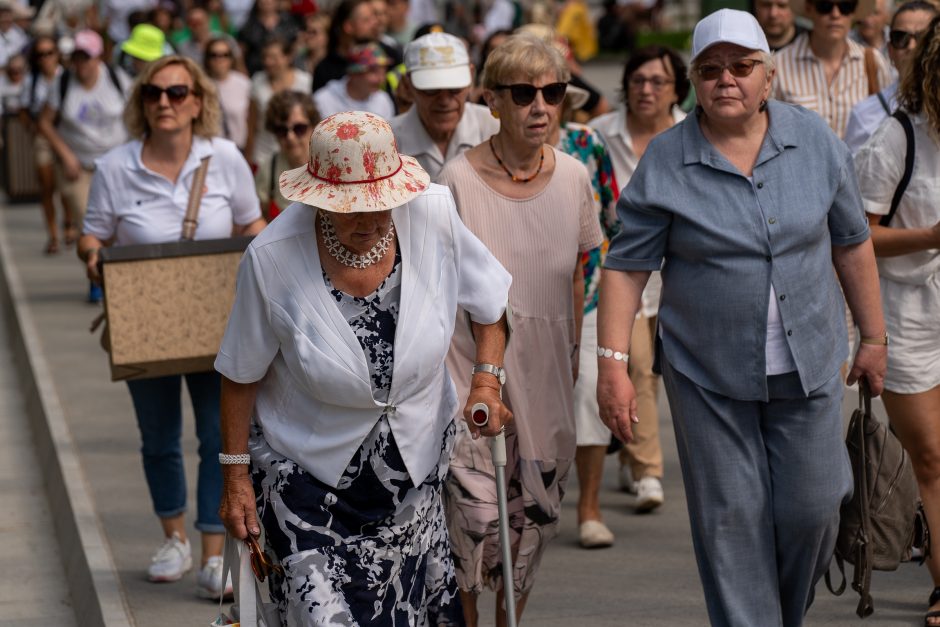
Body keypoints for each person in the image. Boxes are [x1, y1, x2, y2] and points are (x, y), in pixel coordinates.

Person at [597, 10, 886, 626]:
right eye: (710, 69)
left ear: (768, 75)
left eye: (741, 66)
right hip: (708, 374)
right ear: (695, 81)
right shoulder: (668, 159)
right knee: (732, 520)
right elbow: (625, 267)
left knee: (814, 508)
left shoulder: (815, 142)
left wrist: (874, 337)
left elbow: (852, 241)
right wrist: (614, 366)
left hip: (808, 364)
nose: (726, 79)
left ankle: (776, 616)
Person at [216, 110, 512, 624]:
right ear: (316, 200)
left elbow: (490, 308)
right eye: (350, 209)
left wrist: (486, 380)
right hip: (306, 478)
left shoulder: (433, 214)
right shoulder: (271, 258)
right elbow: (240, 374)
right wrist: (235, 479)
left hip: (412, 474)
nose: (370, 220)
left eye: (382, 206)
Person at [76, 54, 265, 599]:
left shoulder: (225, 158)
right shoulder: (114, 167)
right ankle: (173, 537)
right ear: (141, 103)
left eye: (178, 93)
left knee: (216, 437)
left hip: (216, 325)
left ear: (198, 102)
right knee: (157, 439)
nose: (165, 102)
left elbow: (252, 226)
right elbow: (93, 234)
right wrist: (92, 257)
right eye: (155, 94)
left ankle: (211, 552)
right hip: (145, 328)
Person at [438, 33, 603, 626]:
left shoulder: (576, 178)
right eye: (524, 92)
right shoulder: (455, 180)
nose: (541, 105)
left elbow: (589, 271)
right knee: (475, 521)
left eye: (553, 92)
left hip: (549, 376)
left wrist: (594, 357)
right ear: (492, 102)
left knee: (530, 528)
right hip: (467, 374)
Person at [853, 15, 940, 626]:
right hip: (910, 313)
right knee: (932, 458)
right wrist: (933, 236)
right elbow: (859, 236)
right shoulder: (898, 136)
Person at [587, 45, 689, 520]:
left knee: (658, 374)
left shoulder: (693, 134)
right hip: (622, 276)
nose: (646, 90)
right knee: (638, 368)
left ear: (676, 90)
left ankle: (629, 452)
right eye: (638, 80)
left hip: (681, 279)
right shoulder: (599, 135)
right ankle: (649, 468)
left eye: (658, 82)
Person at [37, 29, 131, 304]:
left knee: (117, 223)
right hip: (78, 165)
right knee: (87, 223)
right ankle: (96, 276)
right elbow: (44, 122)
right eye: (77, 57)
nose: (82, 64)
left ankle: (113, 273)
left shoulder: (116, 79)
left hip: (115, 163)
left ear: (98, 57)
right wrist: (65, 155)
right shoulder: (63, 82)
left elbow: (135, 116)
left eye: (87, 57)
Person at [773, 0, 892, 139]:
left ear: (854, 12)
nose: (835, 14)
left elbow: (887, 127)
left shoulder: (873, 62)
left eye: (845, 7)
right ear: (809, 8)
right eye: (825, 6)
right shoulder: (779, 65)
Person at [391, 32, 499, 181]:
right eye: (431, 89)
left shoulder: (497, 129)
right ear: (408, 85)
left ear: (471, 77)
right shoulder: (386, 143)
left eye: (455, 88)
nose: (444, 100)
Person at [844, 0, 937, 154]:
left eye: (924, 38)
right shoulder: (864, 116)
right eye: (901, 37)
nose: (912, 46)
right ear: (890, 50)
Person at [19, 35, 65, 254]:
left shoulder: (66, 77)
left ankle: (69, 224)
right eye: (40, 54)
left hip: (65, 136)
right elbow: (23, 108)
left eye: (49, 53)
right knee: (47, 186)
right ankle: (53, 234)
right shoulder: (32, 80)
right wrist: (32, 129)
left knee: (67, 186)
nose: (45, 58)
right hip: (43, 138)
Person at [247, 35, 312, 167]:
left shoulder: (305, 81)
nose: (268, 62)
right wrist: (248, 160)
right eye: (265, 57)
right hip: (263, 156)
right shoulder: (257, 81)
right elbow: (251, 125)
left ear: (288, 57)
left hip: (297, 154)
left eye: (274, 57)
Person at [254, 89, 317, 219]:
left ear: (314, 127)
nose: (290, 137)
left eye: (299, 128)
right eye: (282, 130)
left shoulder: (328, 165)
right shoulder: (267, 169)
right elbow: (258, 218)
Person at [312, 41, 394, 119]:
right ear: (354, 73)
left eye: (383, 72)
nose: (381, 79)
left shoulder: (383, 100)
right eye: (373, 72)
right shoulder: (324, 99)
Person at [312, 0, 380, 91]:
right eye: (366, 20)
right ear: (348, 27)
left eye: (374, 18)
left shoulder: (386, 56)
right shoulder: (325, 70)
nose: (375, 23)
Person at [204, 35, 251, 152]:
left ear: (231, 59)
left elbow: (251, 121)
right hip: (212, 149)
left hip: (239, 148)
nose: (219, 60)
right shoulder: (202, 86)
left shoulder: (244, 84)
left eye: (225, 55)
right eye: (214, 55)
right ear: (207, 59)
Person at [237, 0, 300, 76]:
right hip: (256, 72)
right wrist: (243, 73)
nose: (267, 2)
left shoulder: (289, 22)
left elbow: (296, 46)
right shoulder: (248, 26)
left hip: (285, 72)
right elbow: (241, 53)